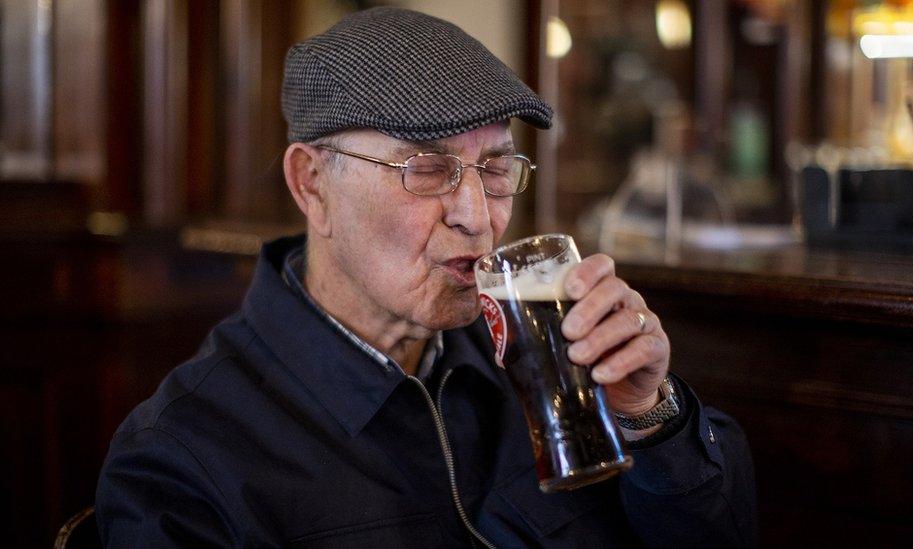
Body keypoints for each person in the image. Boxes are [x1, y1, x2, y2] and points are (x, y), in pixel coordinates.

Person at [96, 7, 756, 548]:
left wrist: (650, 419)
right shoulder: (187, 456)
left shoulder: (538, 364)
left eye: (495, 169)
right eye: (427, 168)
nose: (477, 217)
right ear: (312, 183)